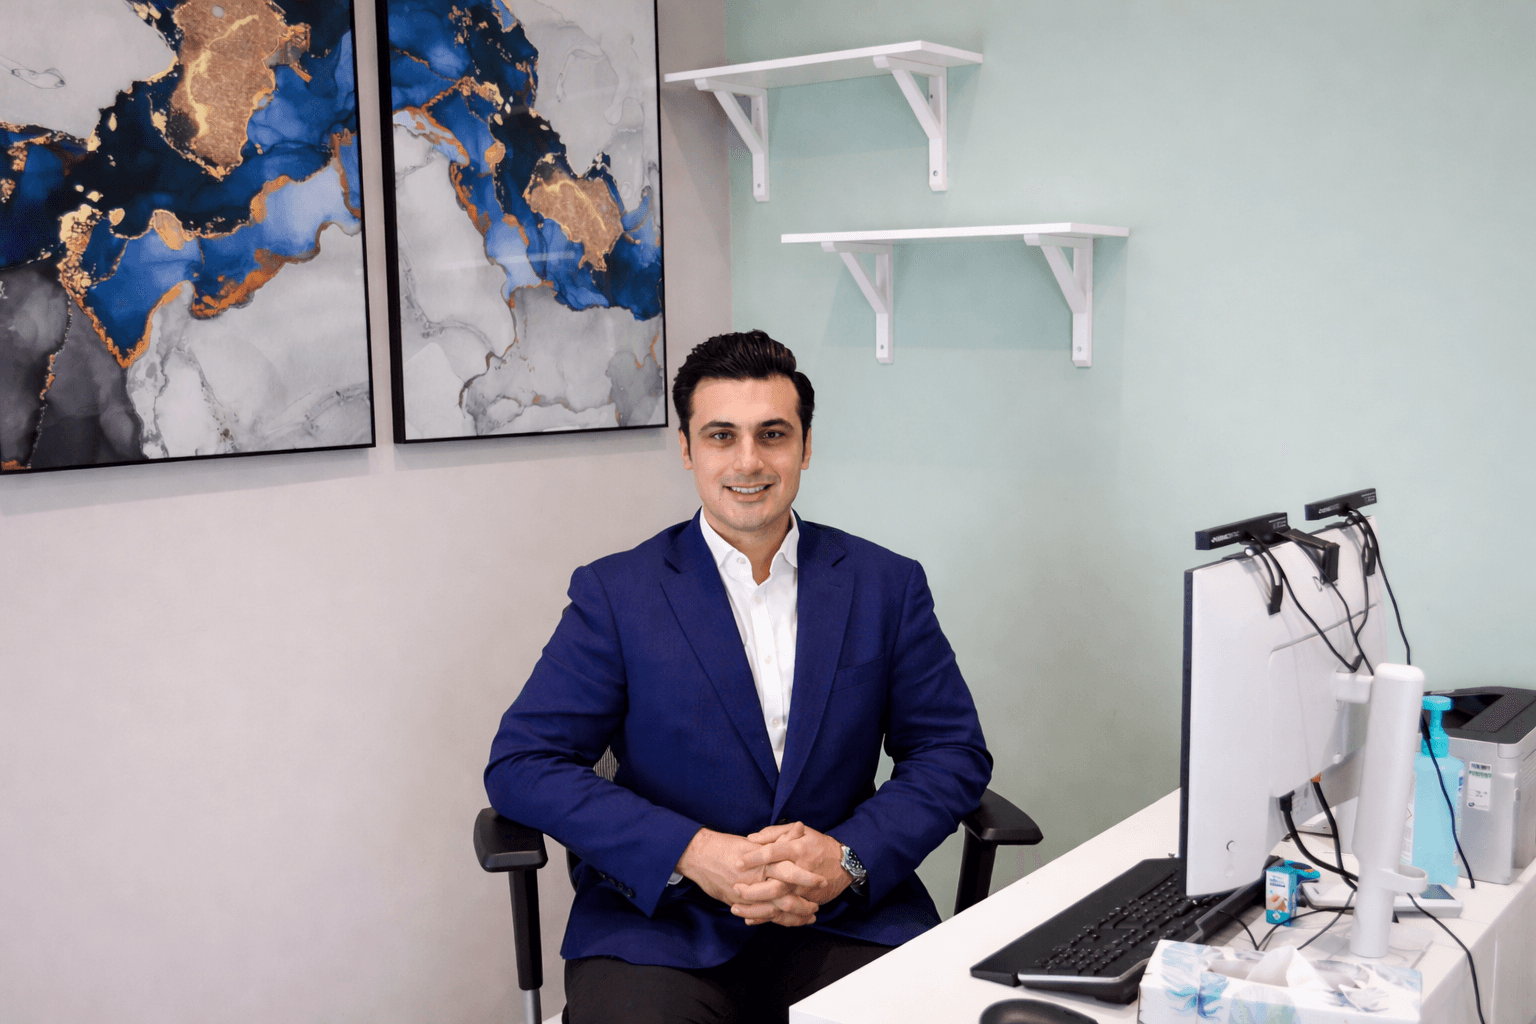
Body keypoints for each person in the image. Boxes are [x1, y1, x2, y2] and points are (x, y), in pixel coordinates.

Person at [485, 330, 992, 1023]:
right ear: (689, 450)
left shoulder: (885, 585)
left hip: (841, 915)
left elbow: (951, 751)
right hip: (662, 923)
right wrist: (690, 851)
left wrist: (847, 856)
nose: (748, 461)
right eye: (722, 436)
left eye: (772, 435)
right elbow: (522, 764)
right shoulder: (617, 594)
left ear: (805, 447)